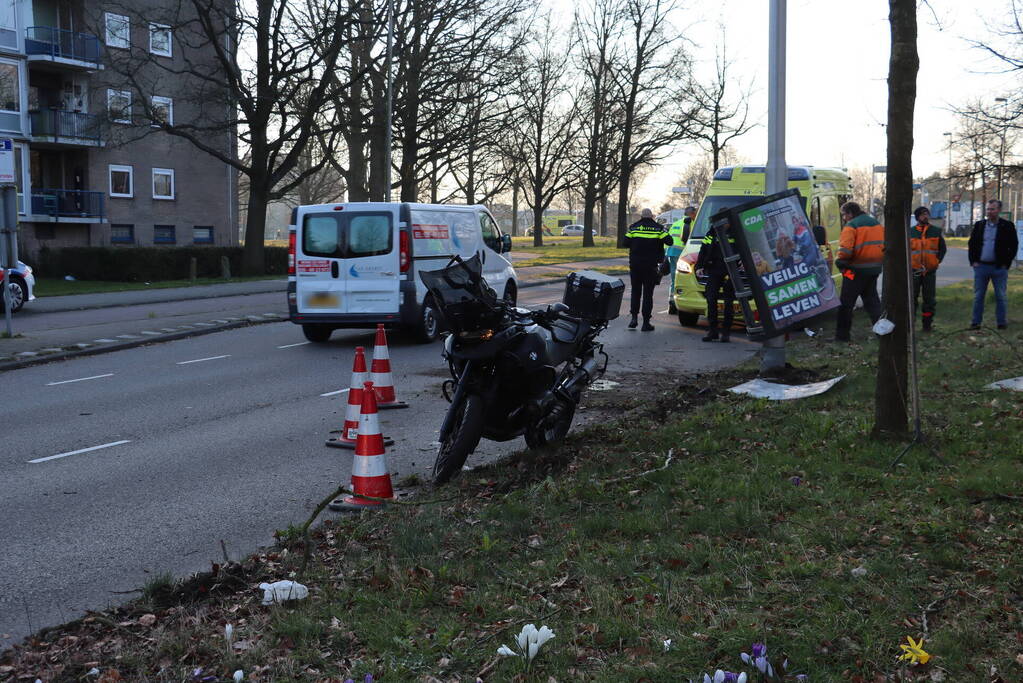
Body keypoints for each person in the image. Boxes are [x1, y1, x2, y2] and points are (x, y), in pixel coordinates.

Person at [834, 201, 884, 342]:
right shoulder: (875, 223)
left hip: (854, 271)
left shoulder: (851, 226)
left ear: (850, 213)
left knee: (846, 304)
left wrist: (840, 262)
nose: (844, 218)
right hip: (873, 270)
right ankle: (882, 334)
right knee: (873, 303)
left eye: (844, 215)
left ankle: (842, 337)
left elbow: (845, 251)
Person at [968, 199, 1018, 330]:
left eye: (993, 209)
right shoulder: (979, 225)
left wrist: (1006, 263)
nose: (990, 212)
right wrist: (973, 261)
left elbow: (1013, 246)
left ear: (999, 210)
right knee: (979, 296)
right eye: (988, 209)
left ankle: (1001, 323)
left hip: (999, 268)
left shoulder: (1007, 226)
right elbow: (972, 244)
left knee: (1000, 296)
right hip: (981, 267)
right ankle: (976, 322)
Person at [624, 208, 672, 331]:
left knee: (635, 292)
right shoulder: (658, 228)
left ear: (641, 216)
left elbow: (625, 242)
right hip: (650, 266)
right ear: (651, 216)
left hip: (635, 265)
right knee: (647, 295)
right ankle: (646, 323)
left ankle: (634, 319)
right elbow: (670, 241)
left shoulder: (634, 227)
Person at [909, 206, 947, 332]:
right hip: (914, 271)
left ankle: (927, 325)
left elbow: (942, 249)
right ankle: (911, 324)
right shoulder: (910, 232)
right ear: (917, 217)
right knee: (912, 298)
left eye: (927, 214)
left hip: (929, 272)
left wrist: (936, 262)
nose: (925, 216)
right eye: (922, 214)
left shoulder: (935, 231)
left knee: (929, 300)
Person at [696, 225, 736, 342]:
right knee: (711, 297)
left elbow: (743, 249)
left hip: (731, 270)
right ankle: (712, 331)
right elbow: (703, 250)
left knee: (728, 301)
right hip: (714, 269)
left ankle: (726, 332)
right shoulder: (712, 232)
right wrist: (699, 267)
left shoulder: (735, 232)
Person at [664, 206, 696, 309]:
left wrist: (666, 253)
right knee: (685, 278)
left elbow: (668, 238)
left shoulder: (676, 223)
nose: (696, 215)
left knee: (674, 277)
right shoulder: (692, 223)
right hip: (683, 254)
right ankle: (683, 300)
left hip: (671, 252)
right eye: (695, 213)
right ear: (691, 214)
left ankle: (671, 300)